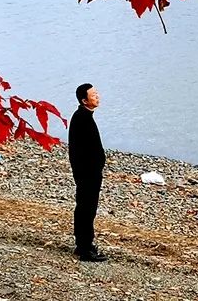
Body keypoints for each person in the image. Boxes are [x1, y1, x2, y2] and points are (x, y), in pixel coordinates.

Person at [69, 83, 108, 262]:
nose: (97, 97)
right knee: (86, 209)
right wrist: (88, 170)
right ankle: (85, 248)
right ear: (85, 100)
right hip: (87, 173)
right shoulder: (81, 118)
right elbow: (78, 150)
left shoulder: (85, 116)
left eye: (97, 93)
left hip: (90, 171)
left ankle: (84, 244)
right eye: (93, 95)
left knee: (87, 208)